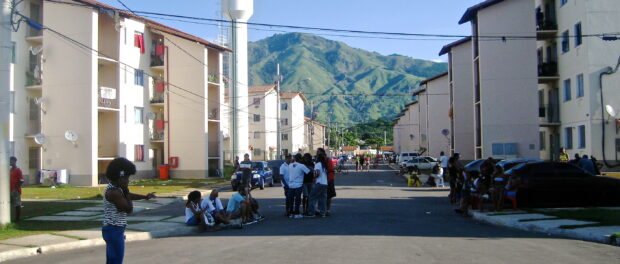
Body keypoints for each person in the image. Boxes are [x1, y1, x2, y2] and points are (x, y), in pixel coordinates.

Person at [102, 157, 156, 264]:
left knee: (112, 261)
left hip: (114, 229)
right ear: (119, 177)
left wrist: (145, 197)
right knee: (116, 261)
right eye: (126, 178)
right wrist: (126, 190)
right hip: (114, 230)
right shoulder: (114, 192)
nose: (128, 180)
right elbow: (128, 209)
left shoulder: (116, 188)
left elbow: (128, 196)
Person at [307, 148, 329, 217]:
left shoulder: (318, 164)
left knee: (312, 196)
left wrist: (314, 177)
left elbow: (317, 172)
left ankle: (312, 212)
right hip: (325, 183)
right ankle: (323, 213)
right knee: (322, 198)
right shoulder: (324, 165)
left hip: (319, 183)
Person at [287, 154, 309, 218]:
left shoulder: (290, 165)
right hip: (298, 184)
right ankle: (297, 213)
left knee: (291, 199)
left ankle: (291, 212)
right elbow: (308, 172)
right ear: (301, 159)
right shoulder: (302, 166)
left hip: (291, 184)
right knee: (297, 199)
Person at [9, 156, 24, 222]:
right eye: (10, 161)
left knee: (17, 205)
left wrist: (16, 188)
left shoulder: (18, 170)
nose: (10, 162)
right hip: (9, 190)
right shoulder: (10, 170)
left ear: (15, 161)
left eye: (11, 161)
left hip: (15, 190)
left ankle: (17, 219)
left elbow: (21, 180)